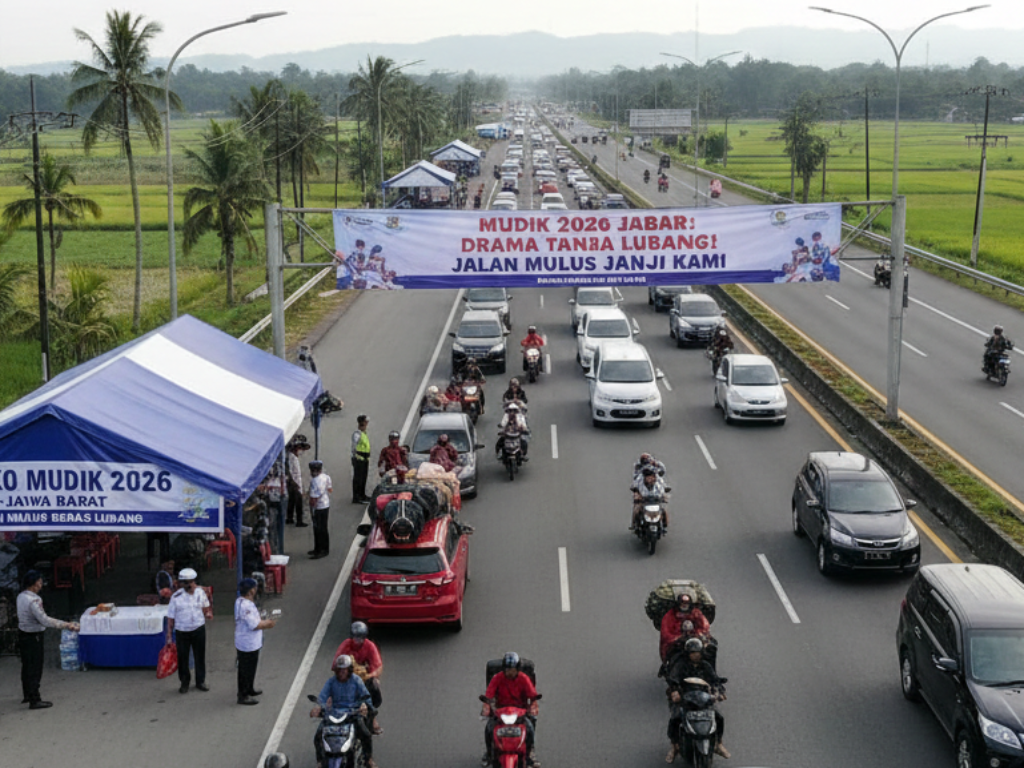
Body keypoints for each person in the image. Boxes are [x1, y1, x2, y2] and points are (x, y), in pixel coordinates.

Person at [17, 570, 79, 709]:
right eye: (39, 582)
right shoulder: (34, 600)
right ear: (33, 584)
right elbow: (45, 620)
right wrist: (66, 625)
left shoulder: (21, 596)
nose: (41, 584)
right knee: (35, 667)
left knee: (27, 665)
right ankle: (35, 698)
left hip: (23, 634)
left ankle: (27, 693)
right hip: (34, 636)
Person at [664, 638, 730, 761]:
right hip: (685, 698)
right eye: (692, 652)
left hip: (703, 698)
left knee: (719, 717)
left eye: (697, 652)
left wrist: (720, 691)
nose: (695, 655)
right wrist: (675, 691)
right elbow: (673, 679)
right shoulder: (681, 665)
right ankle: (674, 746)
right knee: (675, 718)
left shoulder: (706, 666)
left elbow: (714, 680)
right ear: (688, 653)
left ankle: (718, 743)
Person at [312, 655, 376, 768]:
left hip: (353, 714)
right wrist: (318, 708)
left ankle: (368, 760)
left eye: (344, 669)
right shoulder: (331, 682)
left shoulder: (356, 681)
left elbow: (366, 697)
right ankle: (320, 762)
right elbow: (322, 697)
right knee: (318, 736)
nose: (342, 672)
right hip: (335, 715)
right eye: (340, 669)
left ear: (349, 669)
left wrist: (363, 705)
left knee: (366, 735)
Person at [483, 652, 540, 767]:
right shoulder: (497, 678)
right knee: (489, 729)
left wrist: (533, 703)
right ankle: (489, 754)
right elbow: (489, 694)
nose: (510, 672)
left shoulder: (524, 678)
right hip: (501, 711)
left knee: (530, 727)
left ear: (518, 669)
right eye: (508, 669)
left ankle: (529, 753)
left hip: (520, 712)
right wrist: (487, 705)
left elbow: (532, 694)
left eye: (513, 669)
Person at [166, 567, 212, 694]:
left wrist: (207, 613)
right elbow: (171, 618)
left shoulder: (200, 593)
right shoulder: (176, 597)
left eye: (192, 582)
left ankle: (200, 681)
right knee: (183, 658)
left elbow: (206, 606)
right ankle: (184, 682)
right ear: (183, 584)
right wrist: (169, 635)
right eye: (188, 583)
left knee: (200, 656)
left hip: (198, 628)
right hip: (182, 631)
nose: (192, 585)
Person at [334, 621, 385, 733]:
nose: (358, 641)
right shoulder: (345, 645)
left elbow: (378, 666)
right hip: (348, 676)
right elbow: (335, 663)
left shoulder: (370, 646)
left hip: (364, 677)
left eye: (361, 638)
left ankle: (372, 718)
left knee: (374, 687)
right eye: (356, 638)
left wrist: (370, 675)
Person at [235, 578, 277, 705]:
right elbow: (254, 625)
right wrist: (267, 623)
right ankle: (243, 694)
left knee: (252, 667)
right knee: (245, 669)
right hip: (247, 643)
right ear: (251, 591)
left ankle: (250, 688)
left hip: (252, 642)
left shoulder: (242, 601)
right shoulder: (245, 605)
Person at [660, 592, 710, 662]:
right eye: (682, 604)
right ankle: (668, 668)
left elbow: (705, 626)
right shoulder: (669, 616)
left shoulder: (696, 613)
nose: (684, 606)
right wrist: (677, 638)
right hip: (676, 644)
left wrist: (698, 635)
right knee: (674, 655)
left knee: (711, 648)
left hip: (695, 641)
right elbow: (665, 633)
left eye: (686, 604)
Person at [307, 460, 333, 559]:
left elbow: (314, 497)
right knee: (323, 528)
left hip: (318, 507)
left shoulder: (315, 481)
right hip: (326, 504)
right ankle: (320, 548)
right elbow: (330, 489)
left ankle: (321, 549)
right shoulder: (326, 477)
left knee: (318, 529)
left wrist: (311, 505)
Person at [632, 466, 669, 533]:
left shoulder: (658, 483)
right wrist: (637, 496)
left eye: (651, 477)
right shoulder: (640, 482)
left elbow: (663, 491)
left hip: (655, 502)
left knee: (664, 510)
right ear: (645, 478)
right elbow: (635, 489)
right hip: (644, 502)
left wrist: (664, 497)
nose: (650, 479)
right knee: (636, 510)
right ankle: (635, 525)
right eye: (648, 477)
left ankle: (664, 526)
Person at [286, 435, 310, 526]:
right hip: (294, 482)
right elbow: (291, 472)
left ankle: (290, 518)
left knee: (292, 501)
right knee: (298, 502)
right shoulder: (291, 458)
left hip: (295, 481)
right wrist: (295, 484)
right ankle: (299, 520)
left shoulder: (293, 457)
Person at [351, 415, 371, 504]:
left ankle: (362, 495)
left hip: (365, 459)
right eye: (366, 422)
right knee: (358, 479)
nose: (367, 424)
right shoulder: (357, 434)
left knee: (363, 478)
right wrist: (354, 457)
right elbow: (354, 447)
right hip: (359, 459)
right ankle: (357, 497)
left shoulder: (364, 433)